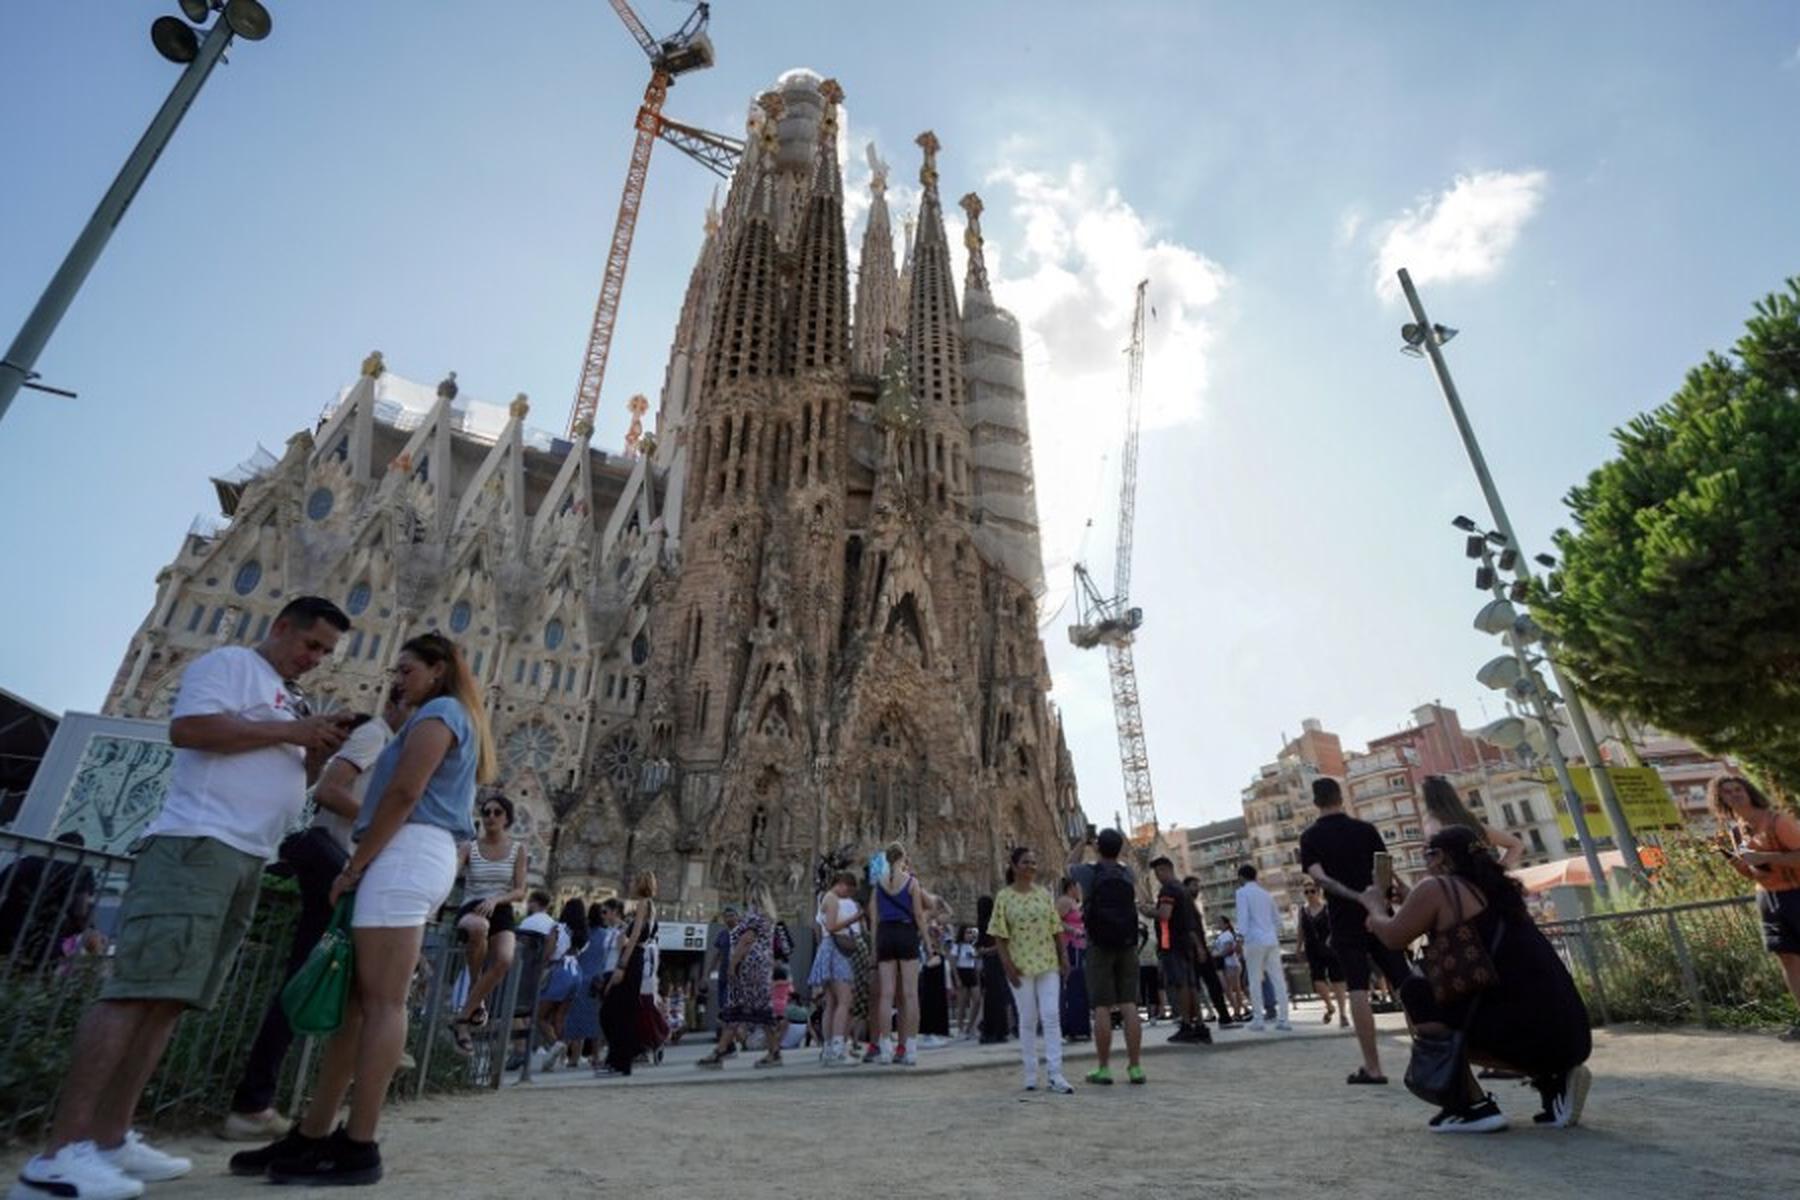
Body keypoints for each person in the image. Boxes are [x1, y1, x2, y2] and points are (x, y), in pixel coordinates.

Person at [16, 596, 350, 1200]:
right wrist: (290, 730)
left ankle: (112, 1138)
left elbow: (290, 779)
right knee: (135, 991)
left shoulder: (287, 698)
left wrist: (313, 754)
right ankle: (58, 1154)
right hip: (196, 845)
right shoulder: (228, 666)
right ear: (281, 627)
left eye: (326, 652)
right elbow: (189, 730)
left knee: (170, 1001)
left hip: (245, 856)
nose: (316, 660)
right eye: (312, 645)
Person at [239, 629, 497, 1185]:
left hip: (406, 853)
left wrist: (355, 866)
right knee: (358, 1005)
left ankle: (359, 1146)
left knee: (382, 1004)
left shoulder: (442, 714)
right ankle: (312, 1135)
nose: (397, 682)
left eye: (406, 670)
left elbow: (404, 794)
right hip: (408, 855)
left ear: (438, 669)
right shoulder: (444, 716)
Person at [223, 687, 409, 1141]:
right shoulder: (375, 735)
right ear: (398, 703)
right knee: (309, 979)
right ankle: (255, 1103)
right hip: (334, 868)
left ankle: (281, 1101)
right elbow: (329, 790)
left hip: (343, 869)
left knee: (323, 977)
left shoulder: (387, 742)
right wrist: (382, 822)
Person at [1361, 825, 1593, 1132]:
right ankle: (1554, 1083)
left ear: (1440, 856)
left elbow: (1392, 936)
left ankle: (1472, 1107)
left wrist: (1374, 906)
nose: (1426, 864)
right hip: (1567, 1036)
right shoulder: (1497, 892)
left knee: (1418, 991)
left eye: (1426, 856)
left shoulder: (1437, 888)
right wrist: (1409, 898)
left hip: (1519, 1036)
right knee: (1489, 997)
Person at [1300, 776, 1418, 1086]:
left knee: (1357, 989)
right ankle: (1428, 1057)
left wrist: (1354, 897)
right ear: (1341, 797)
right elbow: (1384, 868)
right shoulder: (1365, 830)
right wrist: (1378, 899)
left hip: (1344, 919)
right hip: (1379, 914)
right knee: (1404, 983)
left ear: (1315, 802)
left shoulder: (1311, 837)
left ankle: (1373, 1067)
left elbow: (1320, 879)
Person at [1712, 774, 1800, 1040]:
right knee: (1788, 959)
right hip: (1767, 898)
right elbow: (1755, 874)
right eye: (1727, 792)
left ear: (1749, 791)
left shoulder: (1777, 821)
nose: (1735, 794)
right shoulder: (1737, 830)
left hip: (1796, 893)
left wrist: (1764, 856)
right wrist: (1741, 866)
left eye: (1738, 789)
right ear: (1721, 799)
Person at [990, 846, 1074, 1094]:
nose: (1031, 867)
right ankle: (1030, 1072)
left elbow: (1055, 927)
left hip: (1047, 962)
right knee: (1027, 1019)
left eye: (1034, 863)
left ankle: (1055, 1073)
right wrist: (1007, 966)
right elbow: (999, 935)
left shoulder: (1043, 895)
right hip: (1020, 964)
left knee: (1051, 1015)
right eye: (1026, 862)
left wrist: (1064, 956)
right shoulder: (1004, 898)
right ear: (1014, 866)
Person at [1066, 827, 1147, 1085]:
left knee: (1101, 1006)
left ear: (1098, 848)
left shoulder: (1088, 872)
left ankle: (1104, 1068)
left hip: (1098, 943)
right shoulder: (1127, 872)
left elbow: (1068, 865)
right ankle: (1135, 1067)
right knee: (1129, 1004)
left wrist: (1082, 841)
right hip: (1126, 942)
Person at [449, 795, 527, 1052]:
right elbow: (452, 872)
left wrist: (496, 899)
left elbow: (520, 891)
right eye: (486, 812)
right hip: (473, 906)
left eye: (497, 812)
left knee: (505, 959)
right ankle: (475, 986)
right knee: (478, 927)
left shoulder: (517, 850)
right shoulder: (469, 847)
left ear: (507, 818)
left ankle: (463, 1017)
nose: (491, 817)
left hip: (501, 907)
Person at [699, 888, 782, 1069]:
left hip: (748, 970)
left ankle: (720, 1053)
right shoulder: (769, 917)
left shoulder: (754, 915)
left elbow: (746, 939)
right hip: (762, 969)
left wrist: (732, 963)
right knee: (758, 1012)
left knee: (737, 1009)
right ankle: (770, 1052)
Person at [867, 841, 930, 1065]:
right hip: (905, 933)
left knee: (886, 995)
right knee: (910, 995)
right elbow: (920, 916)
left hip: (885, 935)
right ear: (903, 858)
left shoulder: (878, 884)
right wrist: (930, 945)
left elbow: (873, 919)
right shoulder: (912, 882)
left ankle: (885, 1049)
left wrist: (874, 949)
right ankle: (910, 1049)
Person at [597, 874, 657, 1077]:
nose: (630, 883)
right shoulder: (648, 906)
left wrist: (622, 964)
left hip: (631, 961)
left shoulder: (642, 904)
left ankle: (621, 1059)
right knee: (618, 1011)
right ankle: (622, 1056)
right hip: (634, 959)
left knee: (613, 1012)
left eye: (633, 881)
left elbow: (635, 936)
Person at [1152, 856, 1212, 1045]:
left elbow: (1164, 914)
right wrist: (1199, 947)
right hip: (1188, 943)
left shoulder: (1168, 890)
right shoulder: (1184, 891)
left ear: (1164, 870)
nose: (1157, 877)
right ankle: (1200, 1025)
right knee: (1192, 984)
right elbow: (1193, 921)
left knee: (1181, 985)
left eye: (1157, 873)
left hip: (1172, 943)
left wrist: (1147, 911)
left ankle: (1186, 1025)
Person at [807, 871, 862, 1065]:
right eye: (848, 888)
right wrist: (854, 918)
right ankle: (838, 1050)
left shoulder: (825, 898)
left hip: (827, 949)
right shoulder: (832, 899)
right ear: (841, 883)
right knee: (844, 1001)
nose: (848, 893)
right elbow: (831, 927)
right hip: (835, 950)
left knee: (831, 1003)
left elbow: (820, 929)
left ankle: (828, 1048)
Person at [1233, 864, 1291, 1031]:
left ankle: (1258, 1020)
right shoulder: (1267, 894)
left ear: (1241, 877)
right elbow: (1278, 921)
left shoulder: (1242, 893)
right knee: (1278, 980)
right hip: (1271, 939)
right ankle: (1284, 1019)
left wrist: (1239, 939)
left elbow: (1243, 919)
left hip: (1254, 940)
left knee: (1254, 980)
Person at [1420, 775, 1524, 868]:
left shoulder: (1432, 826)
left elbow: (1433, 864)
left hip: (1457, 886)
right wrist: (1498, 872)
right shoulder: (1471, 823)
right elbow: (1516, 844)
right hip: (1483, 885)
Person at [569, 899, 623, 1072]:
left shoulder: (583, 935)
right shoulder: (607, 935)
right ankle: (596, 1056)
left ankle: (574, 1058)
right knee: (596, 1020)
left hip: (579, 979)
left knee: (577, 1019)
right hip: (597, 981)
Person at [535, 897, 589, 1071]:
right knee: (560, 1016)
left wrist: (540, 967)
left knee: (540, 1016)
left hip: (559, 971)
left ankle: (556, 1045)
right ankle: (560, 1055)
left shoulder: (558, 928)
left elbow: (548, 952)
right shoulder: (583, 935)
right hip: (575, 972)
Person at [1182, 876, 1234, 1027]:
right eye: (1193, 885)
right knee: (1203, 985)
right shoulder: (1186, 905)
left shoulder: (1191, 904)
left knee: (1209, 984)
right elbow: (1190, 928)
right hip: (1195, 950)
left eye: (1198, 885)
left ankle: (1221, 1017)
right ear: (1186, 887)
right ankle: (1200, 1019)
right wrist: (1199, 948)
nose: (1197, 889)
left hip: (1199, 948)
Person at [1297, 881, 1349, 1028]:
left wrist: (1333, 939)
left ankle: (1343, 1014)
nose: (1309, 895)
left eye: (1312, 891)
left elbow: (1338, 926)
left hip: (1331, 948)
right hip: (1312, 949)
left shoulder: (1327, 908)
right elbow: (1300, 930)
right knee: (1317, 980)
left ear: (1319, 892)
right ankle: (1329, 1006)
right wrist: (1298, 947)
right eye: (1306, 892)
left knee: (1338, 981)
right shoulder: (1303, 911)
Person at [1055, 878, 1092, 1041]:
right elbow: (1055, 921)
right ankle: (1074, 1027)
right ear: (1071, 887)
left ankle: (1080, 1027)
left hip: (1080, 946)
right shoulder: (1064, 901)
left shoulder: (1074, 902)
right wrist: (1073, 930)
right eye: (1078, 887)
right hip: (1071, 945)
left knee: (1081, 986)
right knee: (1075, 986)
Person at [706, 904, 742, 1052]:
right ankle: (730, 1043)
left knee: (730, 1009)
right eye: (726, 916)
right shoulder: (722, 934)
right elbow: (717, 955)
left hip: (736, 977)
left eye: (731, 915)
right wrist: (707, 973)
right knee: (724, 1010)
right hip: (723, 977)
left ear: (737, 917)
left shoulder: (742, 933)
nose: (728, 919)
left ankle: (731, 1042)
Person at [976, 896, 1011, 1043]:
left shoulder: (988, 923)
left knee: (992, 997)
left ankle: (993, 1030)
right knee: (995, 997)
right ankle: (998, 1030)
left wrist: (985, 951)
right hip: (994, 962)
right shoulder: (993, 922)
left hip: (991, 961)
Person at [918, 915, 952, 1046]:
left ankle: (934, 1032)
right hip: (930, 970)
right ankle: (928, 1033)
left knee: (937, 1001)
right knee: (930, 1002)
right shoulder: (925, 938)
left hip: (937, 971)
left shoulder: (938, 940)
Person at [1212, 915, 1247, 1022]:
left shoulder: (1228, 935)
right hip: (1224, 965)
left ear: (1226, 924)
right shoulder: (1221, 936)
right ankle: (1240, 1009)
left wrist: (1217, 954)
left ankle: (1238, 1011)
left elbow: (1229, 950)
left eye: (1220, 922)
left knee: (1235, 988)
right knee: (1228, 989)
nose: (1217, 924)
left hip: (1231, 964)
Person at [952, 926, 981, 1037]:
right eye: (967, 933)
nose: (969, 935)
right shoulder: (957, 946)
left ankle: (970, 1026)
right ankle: (960, 1028)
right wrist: (957, 978)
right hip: (962, 971)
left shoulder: (973, 946)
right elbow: (953, 963)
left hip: (972, 973)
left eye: (971, 933)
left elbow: (975, 962)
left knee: (977, 1000)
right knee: (962, 1003)